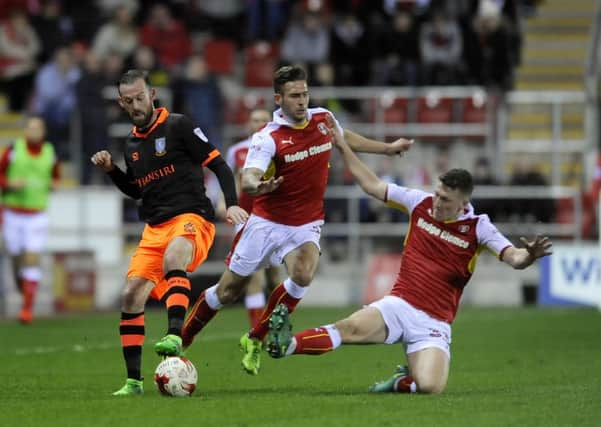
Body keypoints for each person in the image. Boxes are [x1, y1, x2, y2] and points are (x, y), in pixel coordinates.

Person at [263, 116, 553, 394]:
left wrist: (529, 256)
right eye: (438, 194)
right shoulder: (420, 203)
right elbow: (373, 185)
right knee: (348, 328)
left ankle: (401, 383)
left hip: (434, 324)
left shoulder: (479, 228)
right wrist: (343, 146)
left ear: (463, 202)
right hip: (399, 305)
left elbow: (514, 258)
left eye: (446, 200)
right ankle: (285, 344)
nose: (437, 202)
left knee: (430, 387)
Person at [181, 64, 413, 376]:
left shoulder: (322, 119)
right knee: (227, 292)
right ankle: (181, 340)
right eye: (294, 96)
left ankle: (255, 339)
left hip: (305, 223)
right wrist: (257, 185)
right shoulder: (268, 138)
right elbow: (248, 176)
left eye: (304, 94)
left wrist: (387, 149)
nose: (302, 101)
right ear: (279, 99)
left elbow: (347, 138)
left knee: (303, 273)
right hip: (265, 223)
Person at [90, 69, 247, 396]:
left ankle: (175, 333)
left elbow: (219, 165)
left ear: (152, 94)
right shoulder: (131, 143)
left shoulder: (179, 125)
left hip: (191, 217)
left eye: (140, 97)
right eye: (129, 100)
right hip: (155, 227)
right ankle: (134, 382)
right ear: (121, 103)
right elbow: (136, 189)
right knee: (131, 294)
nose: (136, 104)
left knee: (175, 255)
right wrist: (111, 171)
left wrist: (231, 203)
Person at [224, 107, 281, 329]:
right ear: (248, 123)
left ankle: (278, 322)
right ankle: (258, 331)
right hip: (247, 219)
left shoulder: (278, 147)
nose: (258, 123)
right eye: (255, 119)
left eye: (263, 120)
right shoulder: (237, 151)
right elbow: (227, 180)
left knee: (275, 275)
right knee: (255, 276)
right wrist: (225, 203)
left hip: (275, 217)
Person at [0, 115, 60, 323]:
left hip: (37, 214)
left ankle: (27, 309)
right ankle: (22, 288)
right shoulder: (13, 150)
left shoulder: (50, 152)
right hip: (13, 213)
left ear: (43, 132)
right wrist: (8, 183)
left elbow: (55, 174)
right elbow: (0, 175)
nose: (34, 132)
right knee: (17, 258)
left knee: (32, 258)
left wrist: (54, 183)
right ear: (25, 131)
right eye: (31, 128)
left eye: (38, 128)